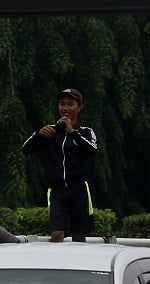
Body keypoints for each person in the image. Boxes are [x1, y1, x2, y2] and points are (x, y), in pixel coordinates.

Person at [21, 88, 99, 242]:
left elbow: (92, 150)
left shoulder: (86, 132)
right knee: (57, 234)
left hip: (79, 189)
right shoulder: (50, 131)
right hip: (57, 191)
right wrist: (38, 135)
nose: (65, 108)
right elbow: (25, 149)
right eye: (62, 104)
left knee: (79, 236)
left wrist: (72, 132)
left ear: (79, 107)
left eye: (70, 104)